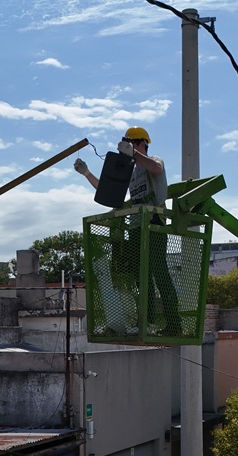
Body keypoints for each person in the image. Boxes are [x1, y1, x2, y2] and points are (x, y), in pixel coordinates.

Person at [74, 127, 179, 334]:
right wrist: (87, 173)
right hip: (135, 227)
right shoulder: (130, 172)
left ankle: (174, 324)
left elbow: (156, 168)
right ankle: (146, 322)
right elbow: (109, 192)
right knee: (141, 277)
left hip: (154, 224)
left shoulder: (154, 161)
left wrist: (134, 154)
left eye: (129, 145)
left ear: (141, 143)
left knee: (159, 273)